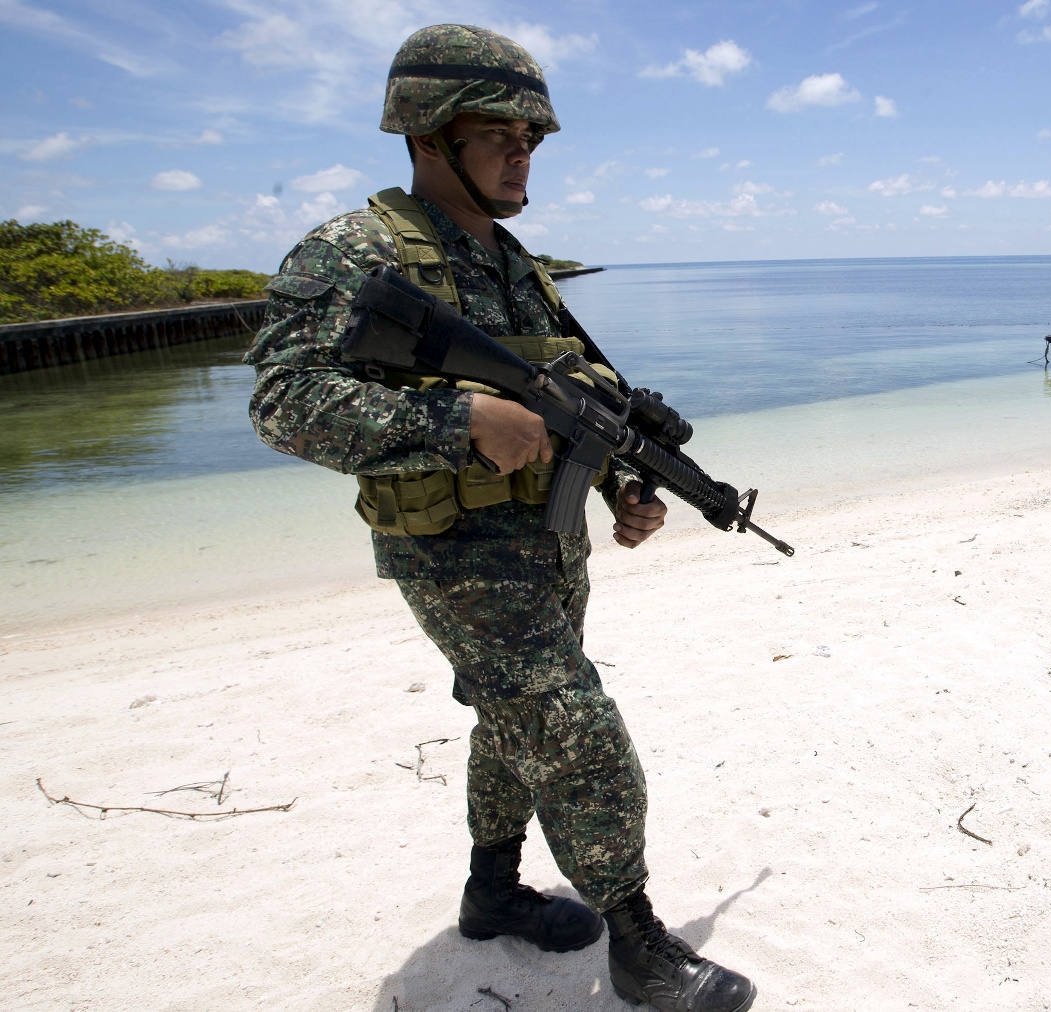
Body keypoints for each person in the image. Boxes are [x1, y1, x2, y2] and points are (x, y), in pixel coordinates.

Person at [243, 24, 756, 1012]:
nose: (524, 153)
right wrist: (459, 417)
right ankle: (641, 944)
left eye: (534, 137)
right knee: (571, 724)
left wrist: (622, 490)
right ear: (430, 136)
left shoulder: (520, 267)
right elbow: (281, 407)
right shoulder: (355, 250)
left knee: (507, 722)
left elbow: (575, 405)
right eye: (502, 134)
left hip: (548, 546)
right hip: (452, 547)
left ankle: (492, 892)